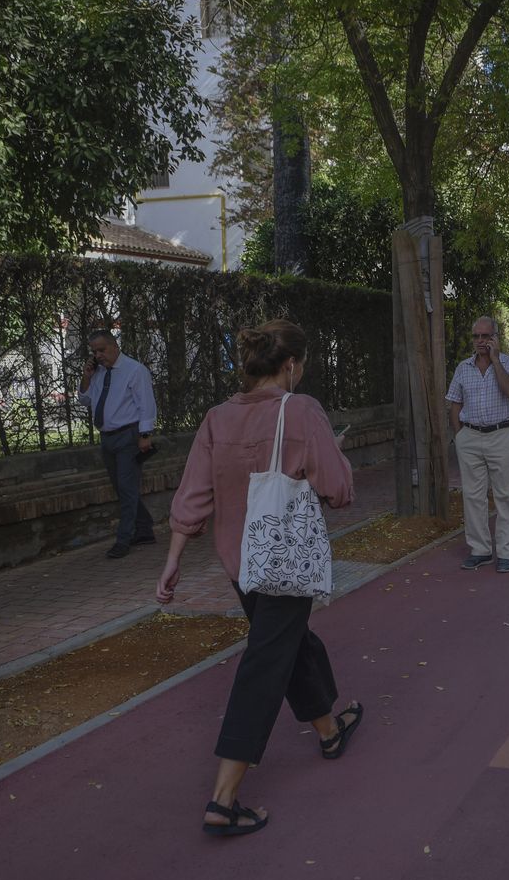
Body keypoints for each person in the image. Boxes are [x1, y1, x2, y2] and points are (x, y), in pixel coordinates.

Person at [156, 319, 360, 838]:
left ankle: (329, 729)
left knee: (288, 644)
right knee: (265, 662)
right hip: (284, 560)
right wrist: (326, 452)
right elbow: (337, 489)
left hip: (238, 563)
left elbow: (194, 494)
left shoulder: (217, 417)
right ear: (290, 365)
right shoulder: (302, 409)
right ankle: (223, 799)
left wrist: (173, 558)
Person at [447, 315, 509, 574]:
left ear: (495, 338)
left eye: (485, 336)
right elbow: (455, 403)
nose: (480, 341)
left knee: (505, 495)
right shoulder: (462, 368)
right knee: (473, 497)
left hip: (501, 435)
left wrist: (495, 360)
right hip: (470, 437)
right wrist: (459, 436)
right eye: (476, 337)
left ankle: (505, 552)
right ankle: (480, 550)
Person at [78, 329, 157, 559]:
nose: (98, 355)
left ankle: (124, 539)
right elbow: (84, 400)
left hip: (128, 436)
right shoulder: (99, 373)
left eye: (102, 350)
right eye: (94, 351)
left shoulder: (135, 370)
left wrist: (145, 434)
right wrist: (87, 376)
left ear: (114, 346)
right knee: (122, 488)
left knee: (126, 487)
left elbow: (146, 403)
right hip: (107, 437)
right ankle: (144, 529)